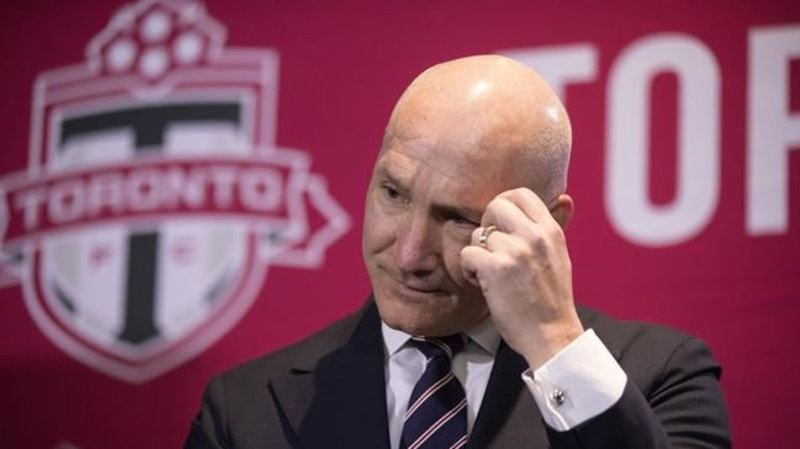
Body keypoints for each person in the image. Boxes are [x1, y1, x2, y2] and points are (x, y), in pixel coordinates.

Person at [184, 55, 730, 449]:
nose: (409, 254)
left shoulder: (660, 377)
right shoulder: (243, 410)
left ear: (546, 225)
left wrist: (553, 343)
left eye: (459, 218)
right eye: (394, 193)